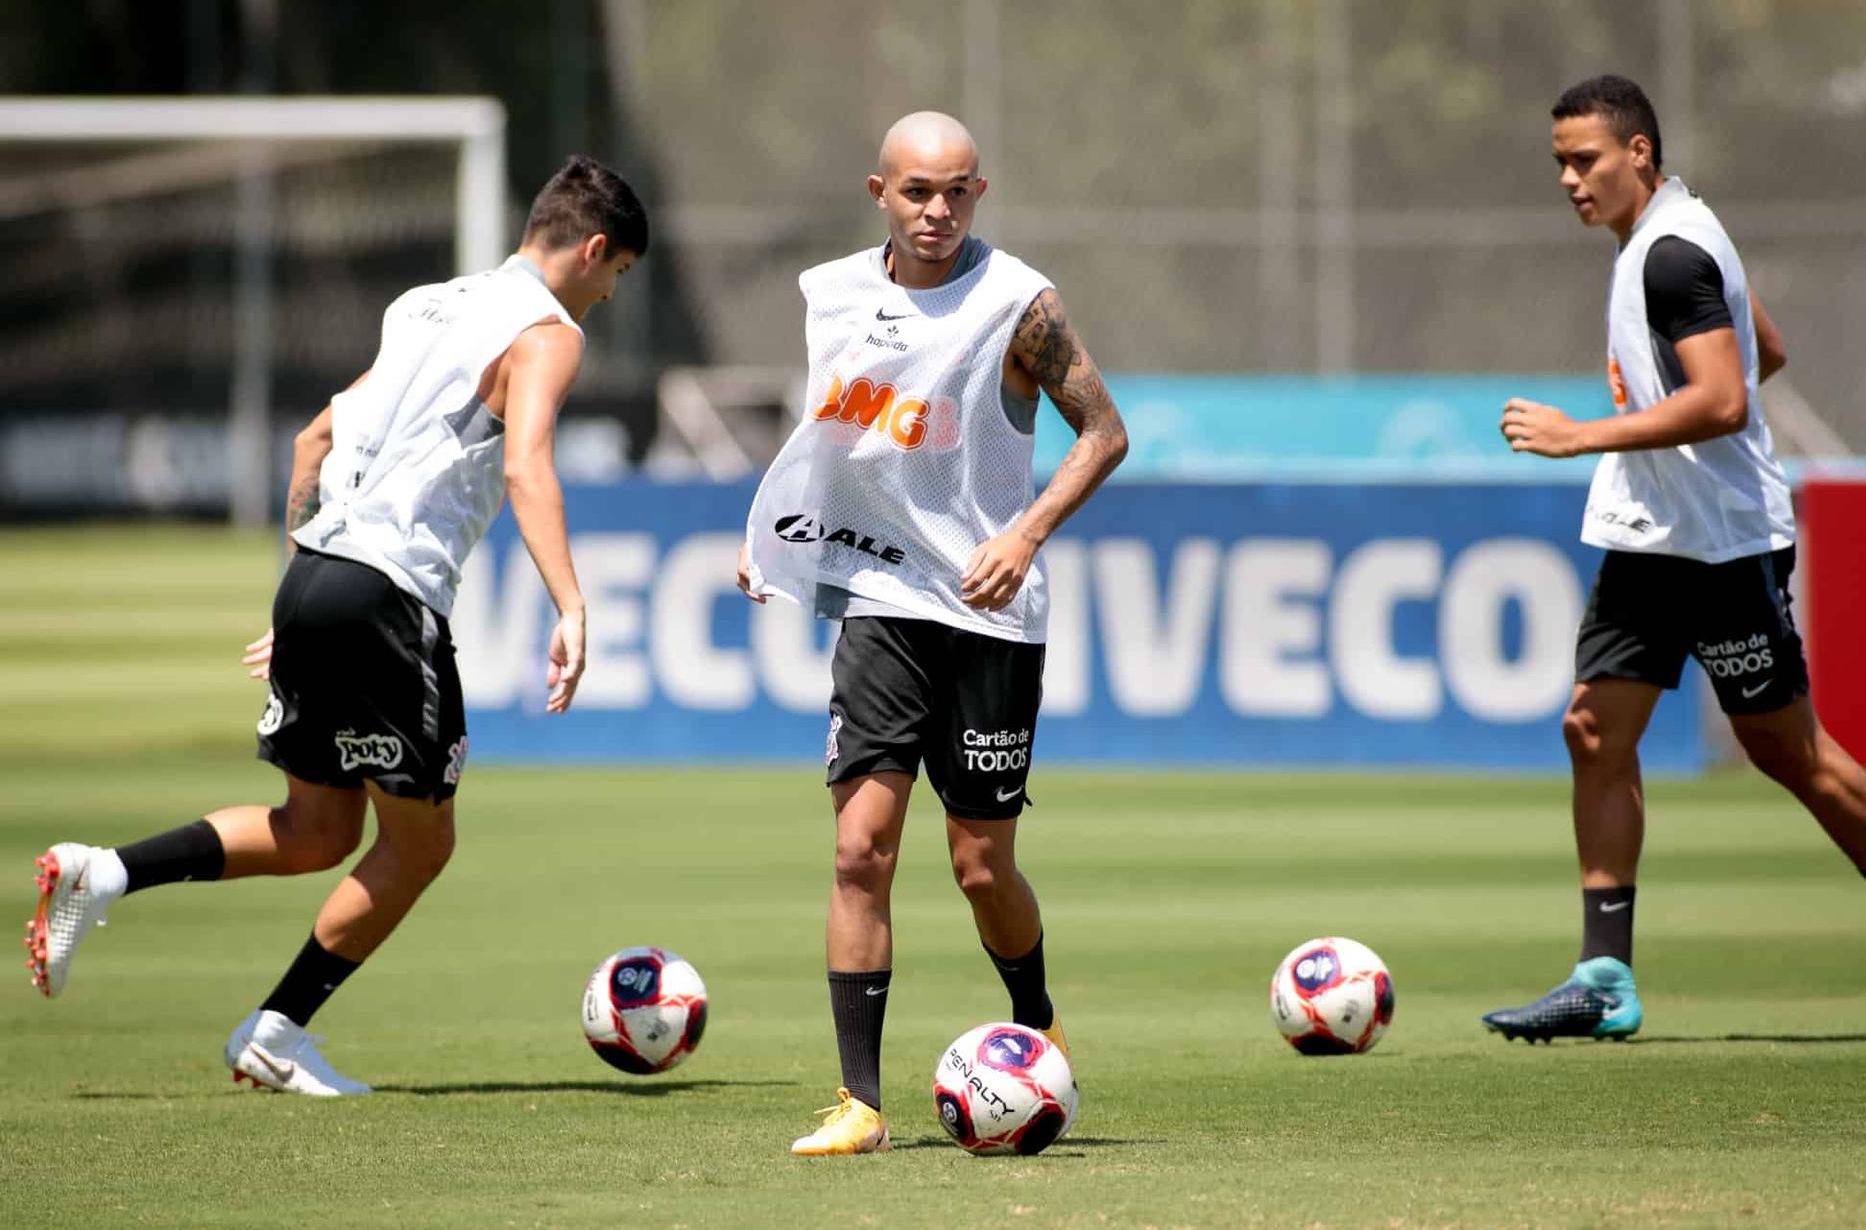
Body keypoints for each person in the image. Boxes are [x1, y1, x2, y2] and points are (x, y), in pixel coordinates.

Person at [24, 155, 649, 1092]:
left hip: (319, 576)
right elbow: (527, 469)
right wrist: (570, 600)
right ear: (594, 248)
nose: (607, 295)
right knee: (421, 844)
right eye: (618, 275)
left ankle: (102, 870)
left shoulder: (424, 303)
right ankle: (276, 1030)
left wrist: (307, 597)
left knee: (315, 831)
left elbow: (313, 439)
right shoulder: (549, 331)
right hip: (389, 594)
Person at [1487, 75, 1866, 1043]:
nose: (1569, 178)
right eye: (1558, 161)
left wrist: (1587, 433)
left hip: (1722, 548)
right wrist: (1654, 385)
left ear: (1638, 153)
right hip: (1654, 536)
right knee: (1593, 732)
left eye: (1585, 159)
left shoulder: (1671, 255)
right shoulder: (1673, 233)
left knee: (1786, 752)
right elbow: (1764, 348)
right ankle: (1605, 979)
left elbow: (1727, 397)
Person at [738, 111, 1128, 1153]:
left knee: (980, 866)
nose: (938, 211)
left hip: (990, 616)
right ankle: (860, 1104)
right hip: (880, 604)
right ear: (880, 193)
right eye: (918, 191)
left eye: (957, 191)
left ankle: (1038, 1028)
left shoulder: (1017, 303)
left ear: (980, 192)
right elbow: (833, 434)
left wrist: (1029, 533)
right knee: (861, 850)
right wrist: (780, 538)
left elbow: (1106, 431)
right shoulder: (830, 294)